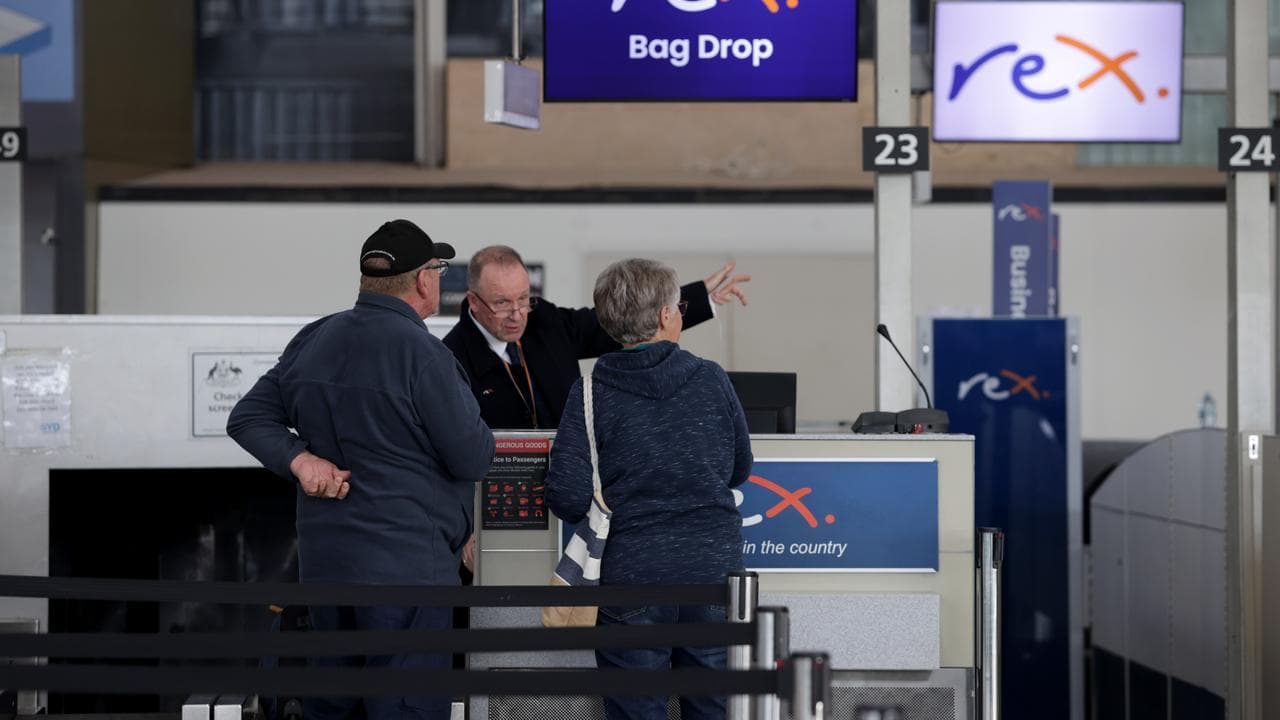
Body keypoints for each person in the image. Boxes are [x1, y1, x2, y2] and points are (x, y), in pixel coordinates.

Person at [227, 219, 495, 720]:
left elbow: (248, 417)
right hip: (409, 575)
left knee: (334, 706)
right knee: (405, 708)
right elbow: (474, 457)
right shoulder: (425, 355)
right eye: (437, 268)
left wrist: (300, 460)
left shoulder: (315, 338)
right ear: (423, 281)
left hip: (326, 571)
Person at [544, 258, 752, 720]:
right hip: (712, 575)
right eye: (679, 305)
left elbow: (568, 497)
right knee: (713, 708)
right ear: (663, 316)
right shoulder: (711, 378)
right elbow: (740, 470)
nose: (680, 312)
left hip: (630, 578)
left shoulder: (590, 392)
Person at [442, 245, 750, 429]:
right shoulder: (450, 358)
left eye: (523, 298)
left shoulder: (545, 321)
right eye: (501, 303)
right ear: (473, 301)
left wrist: (694, 299)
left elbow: (619, 320)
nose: (517, 313)